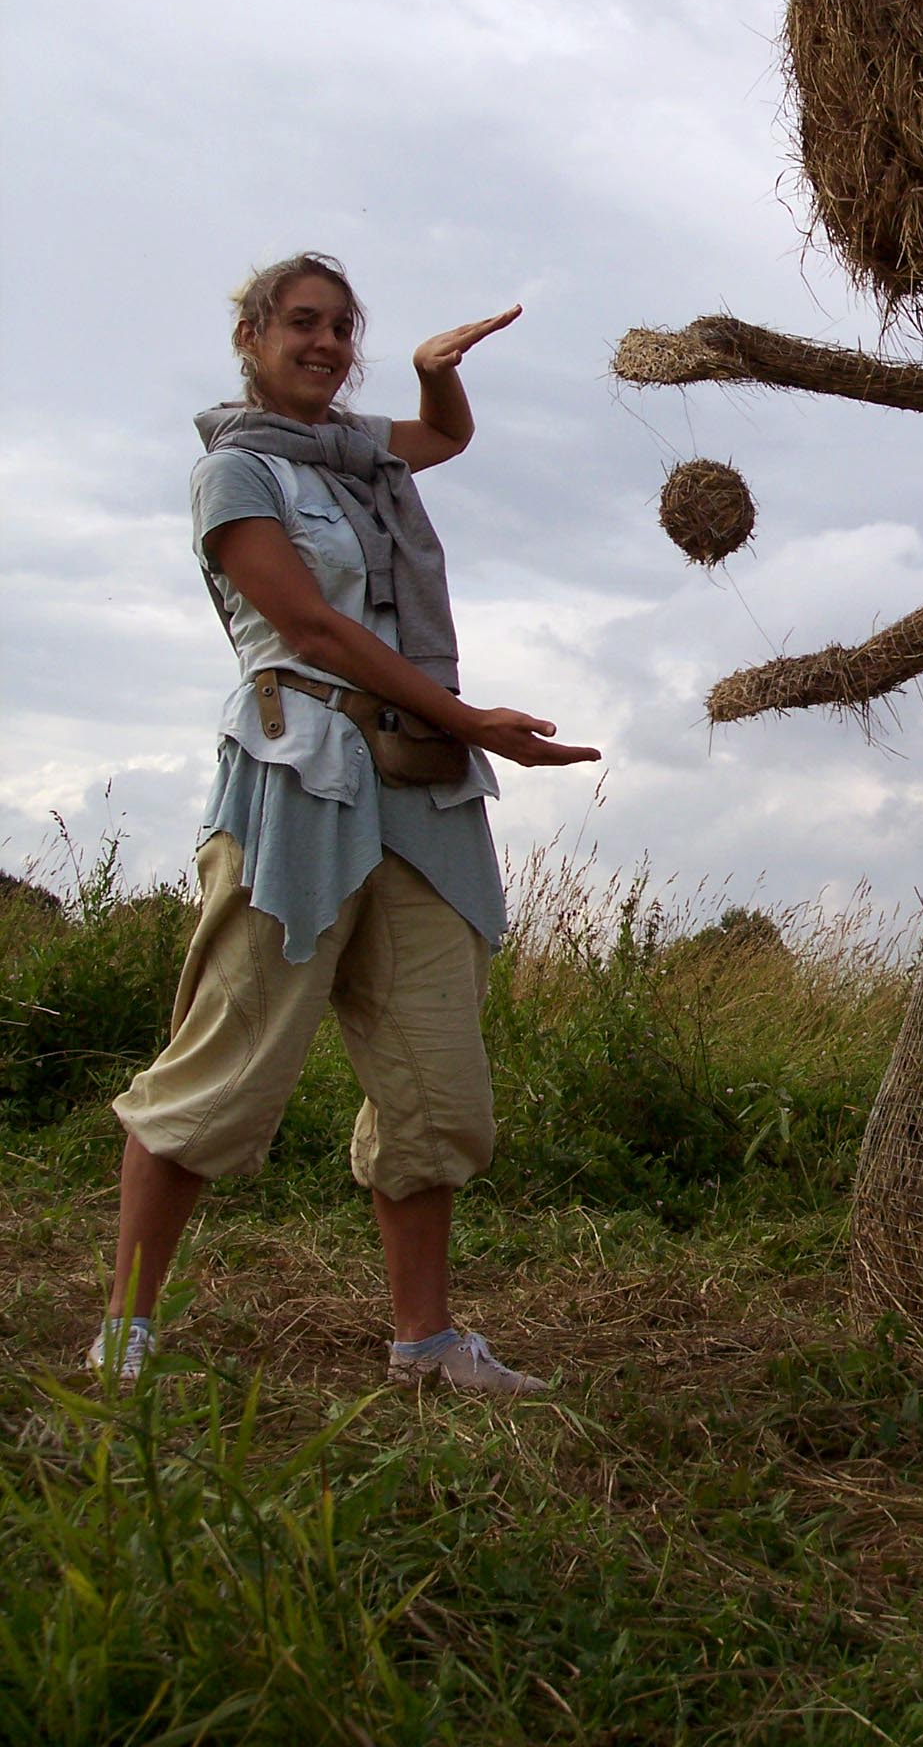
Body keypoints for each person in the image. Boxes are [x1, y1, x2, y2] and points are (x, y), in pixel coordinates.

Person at [89, 253, 600, 1395]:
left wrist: (435, 377)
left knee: (435, 1074)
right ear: (253, 337)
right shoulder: (235, 473)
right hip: (301, 780)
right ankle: (124, 1326)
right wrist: (474, 718)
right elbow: (311, 628)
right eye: (302, 323)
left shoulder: (364, 454)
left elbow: (445, 439)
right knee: (224, 1064)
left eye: (342, 328)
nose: (324, 343)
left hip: (418, 791)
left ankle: (425, 1343)